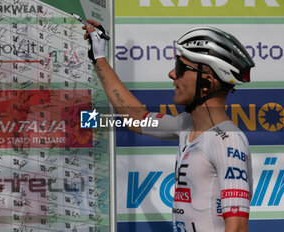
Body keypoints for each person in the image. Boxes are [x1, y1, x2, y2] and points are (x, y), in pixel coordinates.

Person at [82, 20, 254, 232]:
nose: (172, 74)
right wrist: (99, 58)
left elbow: (237, 228)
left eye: (181, 68)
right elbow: (136, 118)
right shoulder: (186, 125)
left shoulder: (228, 140)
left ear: (207, 82)